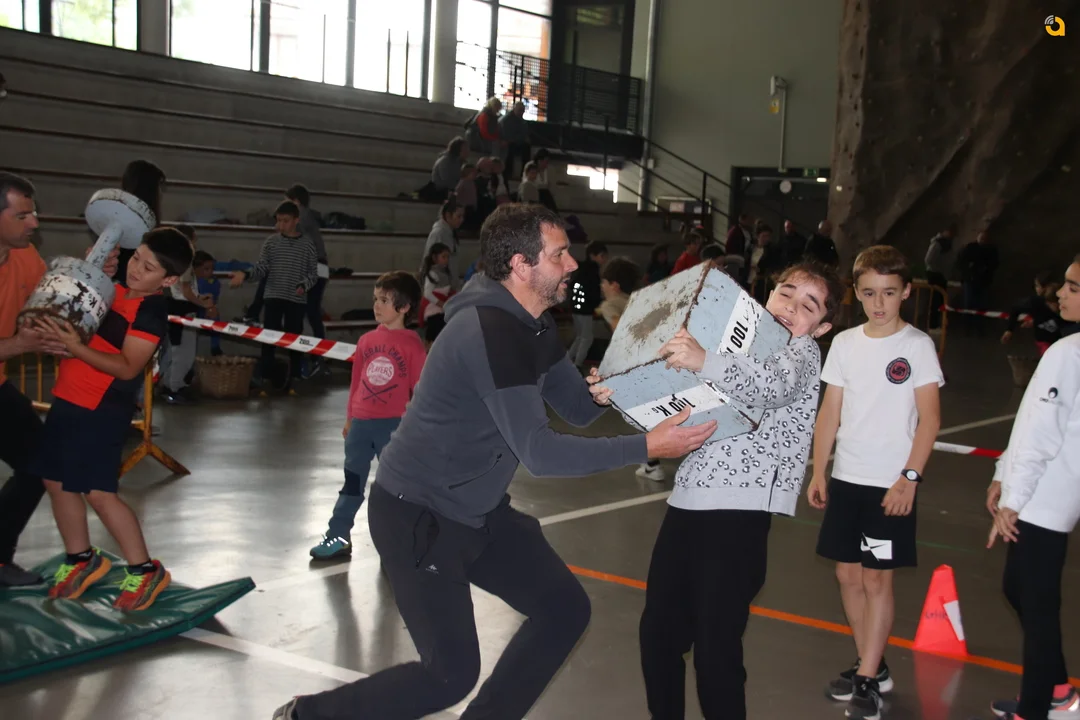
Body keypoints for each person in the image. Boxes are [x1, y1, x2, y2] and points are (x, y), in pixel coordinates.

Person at [272, 203, 716, 720]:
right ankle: (306, 716)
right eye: (559, 255)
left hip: (475, 509)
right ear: (522, 266)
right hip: (418, 514)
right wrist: (646, 446)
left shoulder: (533, 324)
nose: (572, 265)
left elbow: (578, 407)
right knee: (449, 675)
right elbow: (541, 453)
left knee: (563, 610)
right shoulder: (490, 332)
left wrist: (638, 371)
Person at [609, 261, 844, 720]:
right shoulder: (728, 345)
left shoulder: (801, 354)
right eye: (786, 292)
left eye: (808, 306)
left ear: (821, 328)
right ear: (768, 293)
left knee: (715, 649)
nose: (791, 307)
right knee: (658, 635)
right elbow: (673, 403)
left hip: (740, 515)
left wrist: (704, 360)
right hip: (686, 503)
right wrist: (615, 393)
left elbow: (771, 386)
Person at [807, 245, 944, 720]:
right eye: (868, 293)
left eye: (888, 292)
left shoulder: (917, 347)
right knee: (847, 575)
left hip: (890, 485)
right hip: (847, 477)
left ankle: (867, 674)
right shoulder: (845, 344)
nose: (878, 303)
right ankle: (873, 663)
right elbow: (830, 412)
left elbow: (929, 420)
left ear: (905, 292)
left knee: (876, 578)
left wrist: (909, 478)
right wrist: (819, 469)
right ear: (856, 293)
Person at [29, 228, 193, 611]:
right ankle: (81, 559)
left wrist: (75, 347)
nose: (136, 269)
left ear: (168, 280)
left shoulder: (151, 312)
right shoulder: (112, 291)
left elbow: (127, 367)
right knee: (56, 481)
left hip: (101, 409)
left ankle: (144, 569)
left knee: (99, 492)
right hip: (67, 397)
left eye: (148, 268)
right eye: (136, 258)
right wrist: (91, 271)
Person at [984, 254, 1080, 720]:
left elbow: (1043, 434)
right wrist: (1004, 471)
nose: (1060, 293)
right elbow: (1031, 424)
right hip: (1045, 492)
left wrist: (1014, 500)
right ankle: (1057, 690)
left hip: (1045, 497)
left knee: (1037, 604)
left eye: (1073, 287)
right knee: (1019, 589)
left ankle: (1037, 708)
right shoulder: (1068, 348)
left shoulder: (1069, 353)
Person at [310, 271, 426, 560]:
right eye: (375, 299)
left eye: (384, 300)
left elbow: (421, 390)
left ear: (404, 307)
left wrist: (419, 428)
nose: (376, 306)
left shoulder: (412, 344)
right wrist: (350, 418)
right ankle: (338, 537)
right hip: (361, 426)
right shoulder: (365, 341)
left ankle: (403, 540)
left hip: (394, 427)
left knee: (398, 488)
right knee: (351, 485)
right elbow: (356, 383)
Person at [0, 173, 68, 586]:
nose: (34, 223)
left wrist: (91, 271)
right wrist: (18, 344)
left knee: (39, 461)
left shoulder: (25, 256)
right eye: (22, 215)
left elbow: (49, 303)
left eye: (34, 212)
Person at [230, 201, 318, 392]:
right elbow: (261, 268)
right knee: (269, 337)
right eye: (278, 221)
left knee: (294, 338)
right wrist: (245, 274)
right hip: (273, 296)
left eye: (286, 221)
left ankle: (294, 376)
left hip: (296, 300)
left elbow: (313, 274)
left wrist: (304, 285)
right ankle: (266, 377)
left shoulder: (308, 244)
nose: (281, 225)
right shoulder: (271, 243)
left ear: (296, 220)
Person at [160, 224, 204, 404]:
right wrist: (202, 303)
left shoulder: (172, 260)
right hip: (182, 308)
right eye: (194, 239)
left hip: (176, 306)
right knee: (183, 351)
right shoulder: (184, 260)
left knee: (176, 349)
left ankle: (171, 384)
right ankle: (173, 387)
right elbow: (185, 291)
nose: (195, 242)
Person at [285, 184, 329, 344]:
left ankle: (304, 350)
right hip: (321, 267)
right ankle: (318, 350)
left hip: (312, 267)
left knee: (300, 311)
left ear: (295, 201)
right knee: (312, 312)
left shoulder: (300, 217)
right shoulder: (309, 217)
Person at [1001, 271, 1063, 356]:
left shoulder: (1064, 305)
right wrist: (1009, 330)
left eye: (1037, 285)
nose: (1035, 288)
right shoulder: (1034, 303)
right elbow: (1015, 309)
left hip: (1062, 341)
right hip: (1045, 342)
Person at [567, 241, 608, 369]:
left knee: (580, 336)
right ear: (592, 255)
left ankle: (568, 360)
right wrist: (598, 304)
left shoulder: (582, 268)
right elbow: (593, 291)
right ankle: (577, 364)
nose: (604, 259)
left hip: (576, 307)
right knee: (586, 338)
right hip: (585, 309)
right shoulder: (592, 270)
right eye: (602, 256)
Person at [423, 199, 465, 292]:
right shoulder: (438, 233)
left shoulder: (450, 233)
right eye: (458, 216)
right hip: (438, 285)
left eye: (462, 216)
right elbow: (430, 261)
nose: (462, 220)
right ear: (448, 215)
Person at [419, 242, 454, 347]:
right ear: (434, 258)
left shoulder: (445, 273)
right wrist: (441, 303)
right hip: (433, 310)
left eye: (447, 257)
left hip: (441, 310)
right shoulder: (432, 273)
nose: (446, 260)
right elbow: (427, 293)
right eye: (443, 257)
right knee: (435, 336)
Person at [957, 230, 999, 312]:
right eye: (981, 238)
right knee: (969, 305)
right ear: (978, 237)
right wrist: (969, 270)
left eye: (985, 239)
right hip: (970, 280)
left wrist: (986, 268)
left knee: (981, 305)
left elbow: (995, 263)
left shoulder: (991, 249)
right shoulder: (970, 247)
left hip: (984, 281)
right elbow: (961, 262)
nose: (983, 240)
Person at [192, 250, 223, 356]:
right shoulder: (192, 282)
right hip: (193, 311)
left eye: (212, 269)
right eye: (206, 269)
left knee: (216, 317)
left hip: (207, 309)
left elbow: (214, 298)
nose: (210, 272)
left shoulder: (214, 282)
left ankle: (215, 347)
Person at [924, 225, 955, 329]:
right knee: (935, 301)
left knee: (940, 301)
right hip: (936, 275)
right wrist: (938, 270)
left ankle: (937, 323)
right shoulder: (937, 243)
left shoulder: (948, 244)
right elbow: (928, 260)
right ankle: (932, 324)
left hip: (942, 275)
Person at [427, 136, 469, 201]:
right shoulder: (445, 161)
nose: (468, 151)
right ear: (458, 149)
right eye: (465, 149)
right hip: (442, 191)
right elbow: (447, 182)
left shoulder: (461, 162)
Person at [499, 101, 530, 186]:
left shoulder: (522, 121)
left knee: (526, 148)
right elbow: (506, 135)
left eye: (523, 110)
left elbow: (524, 134)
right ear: (514, 109)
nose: (521, 112)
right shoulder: (506, 120)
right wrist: (516, 139)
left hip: (517, 142)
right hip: (508, 142)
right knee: (510, 149)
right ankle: (508, 173)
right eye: (520, 110)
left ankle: (524, 173)